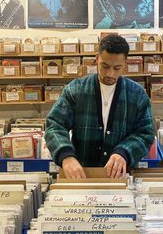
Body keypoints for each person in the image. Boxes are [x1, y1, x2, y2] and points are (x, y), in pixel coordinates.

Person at [45, 34, 155, 179]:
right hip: (81, 176)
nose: (110, 74)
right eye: (105, 66)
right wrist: (66, 155)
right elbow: (54, 125)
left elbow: (145, 133)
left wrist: (124, 152)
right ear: (97, 59)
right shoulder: (75, 90)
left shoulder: (137, 94)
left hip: (120, 178)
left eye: (117, 68)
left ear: (125, 63)